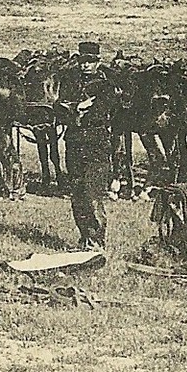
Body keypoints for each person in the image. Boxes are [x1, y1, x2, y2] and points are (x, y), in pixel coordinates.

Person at [65, 41, 114, 252]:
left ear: (98, 62)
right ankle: (84, 238)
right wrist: (77, 107)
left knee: (92, 192)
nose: (86, 65)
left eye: (90, 61)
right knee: (77, 193)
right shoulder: (70, 83)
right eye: (83, 61)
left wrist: (83, 111)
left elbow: (107, 110)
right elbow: (59, 106)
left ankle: (96, 242)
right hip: (74, 143)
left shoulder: (106, 86)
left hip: (97, 143)